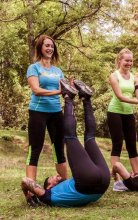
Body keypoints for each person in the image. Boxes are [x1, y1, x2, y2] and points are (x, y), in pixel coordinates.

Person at [21, 80, 110, 207]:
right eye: (52, 178)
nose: (57, 176)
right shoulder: (48, 196)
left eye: (53, 177)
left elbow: (26, 181)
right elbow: (25, 181)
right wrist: (30, 196)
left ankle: (86, 98)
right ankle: (68, 96)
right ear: (49, 186)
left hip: (101, 186)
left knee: (90, 138)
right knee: (70, 136)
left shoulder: (54, 192)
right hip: (88, 182)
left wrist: (30, 194)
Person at [107, 48, 138, 187]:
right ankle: (116, 179)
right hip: (114, 112)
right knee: (117, 144)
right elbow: (120, 97)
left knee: (131, 144)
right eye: (126, 60)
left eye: (131, 60)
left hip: (128, 113)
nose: (129, 63)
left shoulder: (135, 77)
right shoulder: (114, 76)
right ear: (120, 60)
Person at [26, 35, 67, 183]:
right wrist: (59, 92)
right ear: (40, 48)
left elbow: (65, 89)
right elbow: (36, 90)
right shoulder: (34, 68)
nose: (50, 48)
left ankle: (64, 185)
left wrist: (71, 89)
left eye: (52, 46)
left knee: (59, 150)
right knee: (35, 149)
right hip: (38, 112)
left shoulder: (58, 71)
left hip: (56, 112)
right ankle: (31, 191)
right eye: (47, 45)